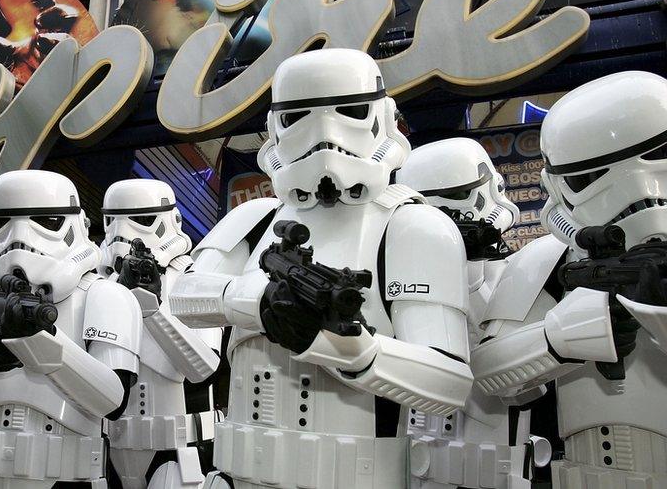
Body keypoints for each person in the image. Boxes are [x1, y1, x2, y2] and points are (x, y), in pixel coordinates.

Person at [169, 49, 474, 489]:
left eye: (348, 111)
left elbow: (449, 387)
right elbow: (181, 297)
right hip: (238, 474)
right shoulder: (256, 218)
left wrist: (350, 349)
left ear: (382, 119)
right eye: (299, 117)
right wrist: (253, 302)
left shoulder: (412, 225)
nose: (325, 133)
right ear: (274, 127)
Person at [472, 71, 667, 488]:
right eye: (591, 178)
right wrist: (568, 336)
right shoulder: (545, 261)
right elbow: (490, 377)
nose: (640, 192)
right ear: (556, 187)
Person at [0, 169, 143, 488]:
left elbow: (113, 402)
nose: (19, 238)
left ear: (72, 225)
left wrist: (47, 346)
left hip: (68, 477)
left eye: (45, 222)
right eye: (0, 222)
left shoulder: (103, 295)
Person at [396, 138, 550, 488]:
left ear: (493, 188)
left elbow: (520, 387)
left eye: (458, 196)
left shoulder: (519, 273)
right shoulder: (402, 279)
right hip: (415, 458)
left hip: (492, 462)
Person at [99, 179, 222, 488]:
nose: (122, 234)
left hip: (180, 450)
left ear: (171, 220)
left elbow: (203, 368)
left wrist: (153, 311)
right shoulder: (102, 287)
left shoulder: (194, 278)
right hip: (111, 447)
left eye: (140, 220)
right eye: (111, 221)